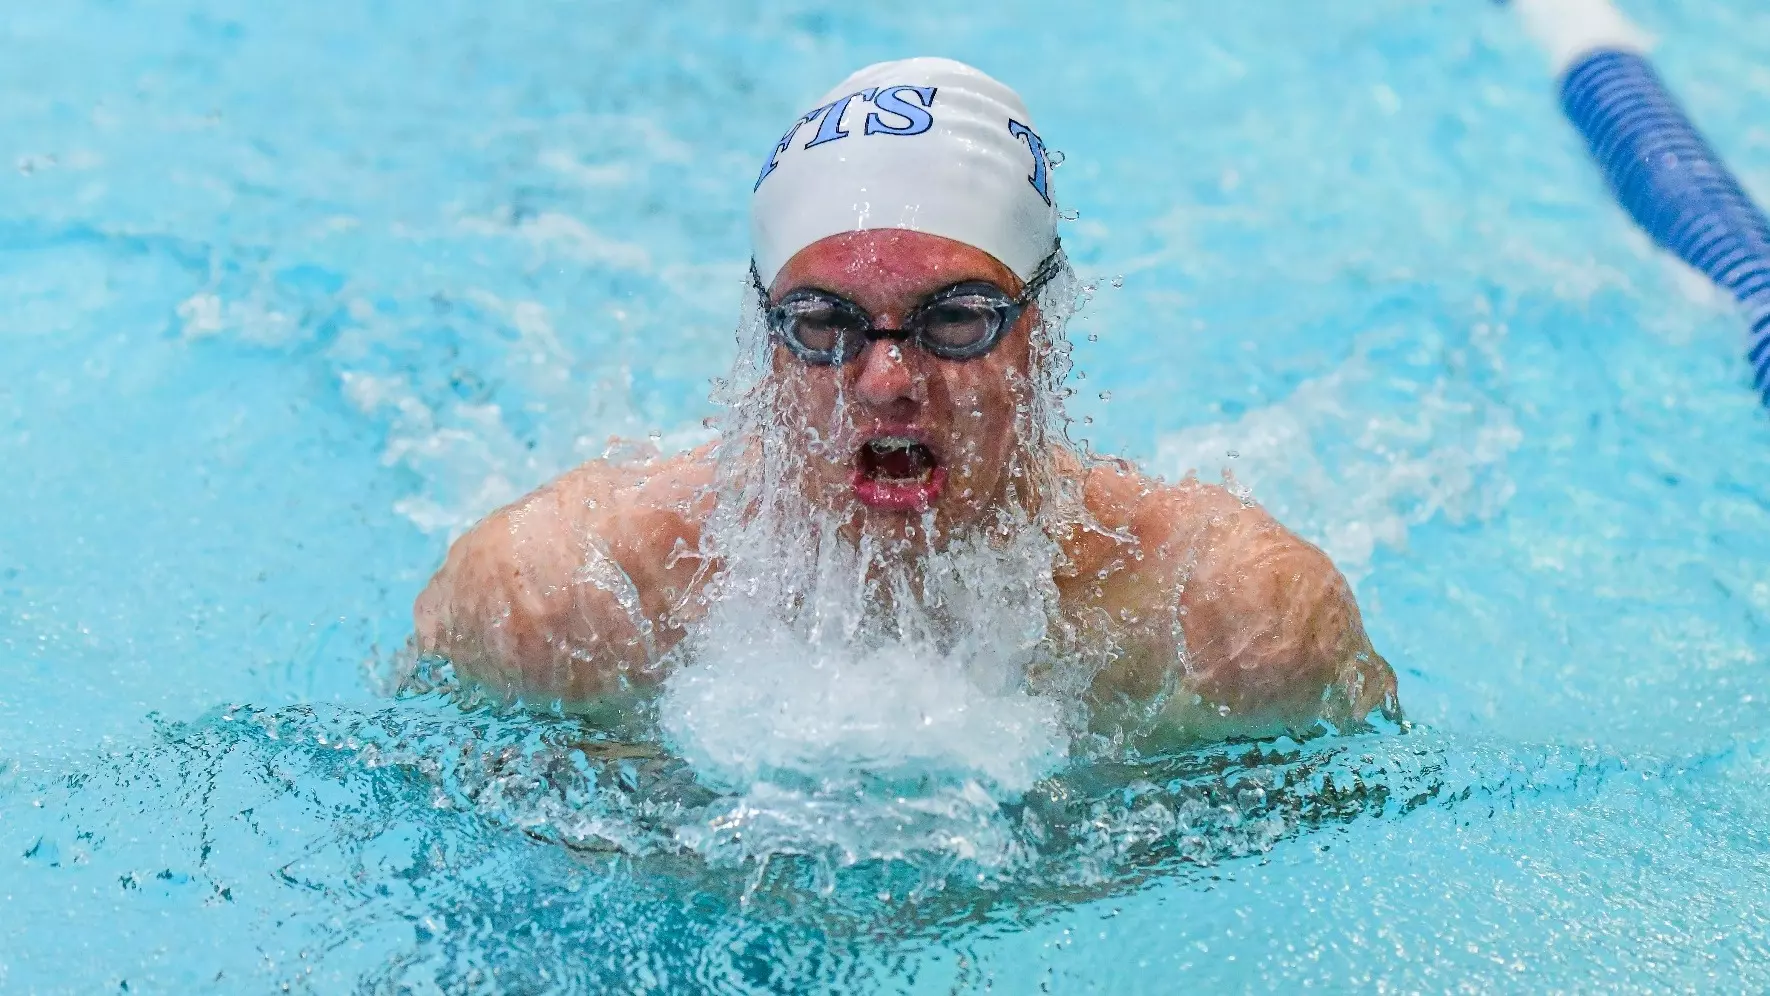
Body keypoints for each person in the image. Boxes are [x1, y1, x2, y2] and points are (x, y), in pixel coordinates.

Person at [414, 57, 1398, 743]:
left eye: (956, 319)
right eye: (823, 324)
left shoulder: (1225, 622)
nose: (886, 381)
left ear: (1041, 337)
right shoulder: (565, 598)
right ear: (766, 348)